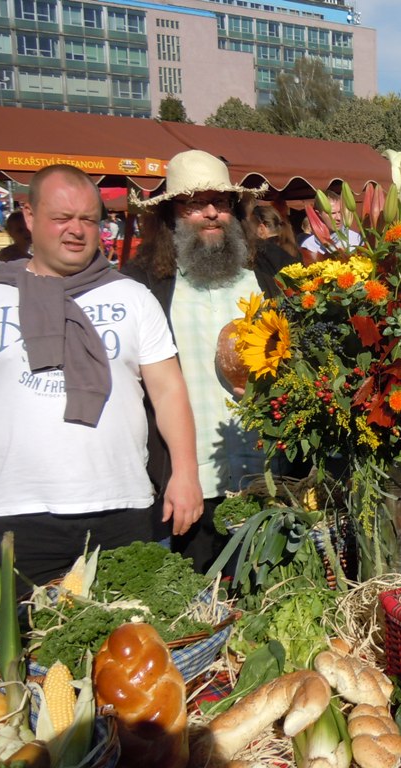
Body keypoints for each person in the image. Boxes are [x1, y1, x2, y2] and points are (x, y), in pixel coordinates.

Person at [0, 164, 202, 589]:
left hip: (123, 509)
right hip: (19, 515)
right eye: (61, 218)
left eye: (88, 219)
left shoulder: (132, 296)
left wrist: (185, 473)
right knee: (28, 651)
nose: (76, 230)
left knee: (137, 646)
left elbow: (168, 391)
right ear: (29, 217)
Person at [122, 149, 279, 571]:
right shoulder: (144, 284)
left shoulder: (271, 273)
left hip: (268, 478)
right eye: (195, 203)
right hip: (189, 486)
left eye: (221, 203)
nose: (211, 213)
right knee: (201, 604)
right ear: (172, 213)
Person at [301, 180, 363, 257]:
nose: (339, 218)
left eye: (340, 212)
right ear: (318, 214)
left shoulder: (356, 239)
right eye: (333, 213)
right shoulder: (309, 245)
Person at [247, 203, 297, 279]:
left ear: (261, 228)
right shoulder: (292, 245)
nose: (250, 231)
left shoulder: (261, 252)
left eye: (251, 227)